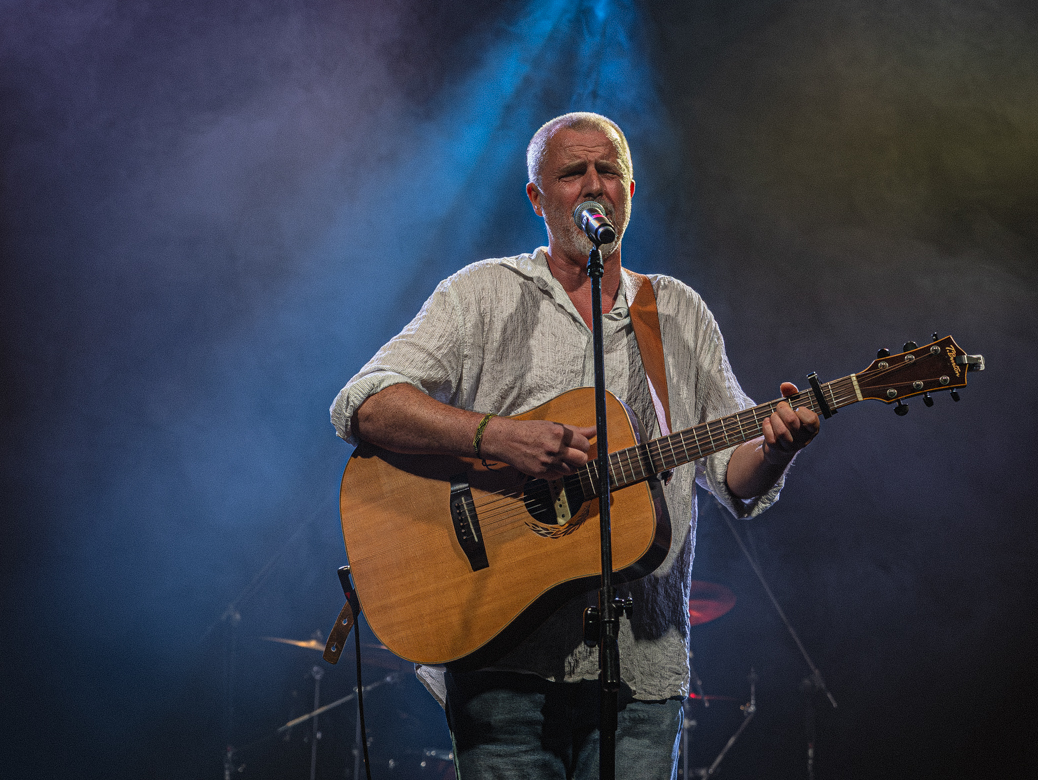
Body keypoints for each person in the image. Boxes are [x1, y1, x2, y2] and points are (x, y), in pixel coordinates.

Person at [330, 112, 818, 780]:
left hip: (642, 668)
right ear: (537, 198)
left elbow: (733, 478)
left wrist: (779, 448)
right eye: (572, 173)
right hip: (501, 661)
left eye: (607, 170)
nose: (593, 184)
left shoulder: (675, 311)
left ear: (629, 190)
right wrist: (497, 436)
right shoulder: (481, 294)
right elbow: (364, 402)